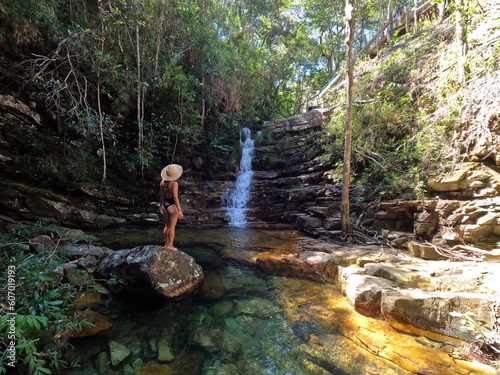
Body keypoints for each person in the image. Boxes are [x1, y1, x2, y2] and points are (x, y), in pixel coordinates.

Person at [159, 164, 184, 250]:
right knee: (172, 226)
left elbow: (162, 196)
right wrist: (180, 210)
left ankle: (166, 244)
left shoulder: (162, 182)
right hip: (172, 205)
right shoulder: (174, 183)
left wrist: (161, 205)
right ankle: (170, 246)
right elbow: (175, 197)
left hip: (165, 204)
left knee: (166, 226)